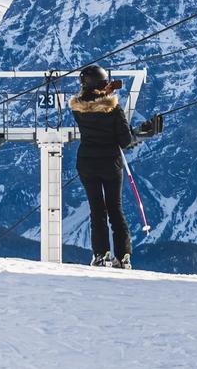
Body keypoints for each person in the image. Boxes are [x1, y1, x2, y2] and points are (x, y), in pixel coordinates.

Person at [69, 65, 163, 269]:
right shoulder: (114, 110)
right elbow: (124, 140)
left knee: (97, 210)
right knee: (115, 209)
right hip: (110, 164)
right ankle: (123, 256)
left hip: (86, 164)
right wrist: (138, 131)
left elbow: (91, 103)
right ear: (103, 85)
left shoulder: (78, 110)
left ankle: (101, 255)